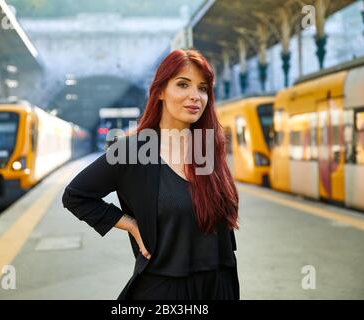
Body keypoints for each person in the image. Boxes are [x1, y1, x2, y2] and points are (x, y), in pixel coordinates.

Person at [62, 49, 240, 300]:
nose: (196, 97)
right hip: (165, 290)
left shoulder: (208, 146)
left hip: (220, 285)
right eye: (182, 84)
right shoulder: (133, 151)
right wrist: (130, 224)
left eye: (203, 88)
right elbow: (75, 196)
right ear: (159, 92)